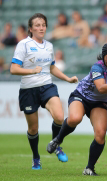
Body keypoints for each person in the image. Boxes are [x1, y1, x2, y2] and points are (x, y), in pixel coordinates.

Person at [46, 43, 107, 176]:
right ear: (103, 56)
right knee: (75, 118)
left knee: (100, 135)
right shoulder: (97, 66)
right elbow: (101, 88)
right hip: (82, 96)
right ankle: (57, 140)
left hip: (101, 102)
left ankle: (89, 168)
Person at [10, 13, 78, 170]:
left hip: (47, 86)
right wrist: (32, 71)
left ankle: (56, 144)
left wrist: (67, 79)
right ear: (30, 28)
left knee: (60, 117)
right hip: (28, 90)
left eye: (43, 25)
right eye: (38, 25)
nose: (41, 28)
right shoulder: (24, 44)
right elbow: (13, 69)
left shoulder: (49, 45)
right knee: (33, 129)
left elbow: (52, 67)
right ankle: (36, 157)